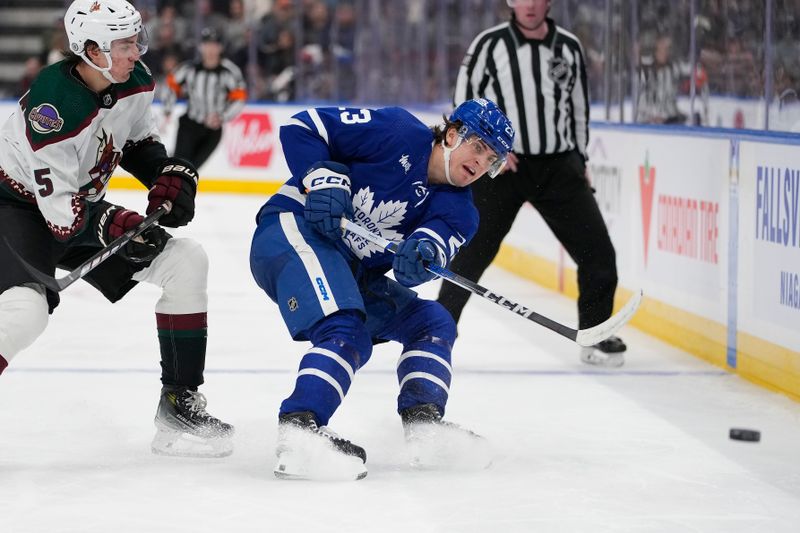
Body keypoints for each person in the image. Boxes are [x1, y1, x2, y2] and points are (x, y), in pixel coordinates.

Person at [0, 0, 233, 458]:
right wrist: (113, 220)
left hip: (73, 204)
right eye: (124, 45)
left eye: (136, 40)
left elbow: (137, 139)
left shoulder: (135, 79)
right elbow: (63, 216)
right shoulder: (54, 107)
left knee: (185, 262)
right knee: (26, 314)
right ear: (89, 50)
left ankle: (177, 407)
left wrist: (166, 175)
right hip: (18, 209)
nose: (136, 52)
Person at [249, 98, 514, 480]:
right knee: (345, 326)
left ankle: (425, 427)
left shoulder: (462, 212)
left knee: (432, 322)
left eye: (492, 159)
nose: (481, 163)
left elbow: (429, 247)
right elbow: (302, 125)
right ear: (453, 135)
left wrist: (419, 259)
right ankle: (299, 430)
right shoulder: (397, 130)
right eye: (478, 147)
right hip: (293, 229)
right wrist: (321, 175)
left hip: (352, 269)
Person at [436, 0, 626, 367]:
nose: (530, 4)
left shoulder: (568, 46)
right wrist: (490, 149)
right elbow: (464, 98)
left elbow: (579, 108)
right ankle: (437, 334)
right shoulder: (489, 45)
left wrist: (580, 157)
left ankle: (596, 334)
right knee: (472, 255)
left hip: (558, 167)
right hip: (503, 169)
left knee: (599, 253)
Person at [162, 27, 247, 169]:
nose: (210, 49)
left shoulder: (229, 72)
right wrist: (167, 111)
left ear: (220, 47)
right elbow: (171, 85)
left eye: (214, 45)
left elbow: (239, 98)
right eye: (207, 44)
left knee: (192, 170)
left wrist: (222, 116)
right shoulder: (189, 69)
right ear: (201, 46)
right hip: (189, 125)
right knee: (179, 167)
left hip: (213, 131)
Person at [636, 34, 688, 125]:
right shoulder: (646, 71)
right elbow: (642, 99)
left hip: (669, 120)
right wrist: (652, 115)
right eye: (661, 49)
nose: (664, 52)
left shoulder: (673, 70)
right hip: (648, 121)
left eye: (666, 49)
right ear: (655, 51)